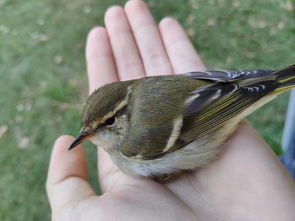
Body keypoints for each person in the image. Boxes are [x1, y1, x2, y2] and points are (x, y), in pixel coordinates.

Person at [46, 0, 295, 220]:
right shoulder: (142, 88)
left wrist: (246, 95)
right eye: (88, 130)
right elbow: (192, 81)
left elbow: (198, 120)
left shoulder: (133, 144)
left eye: (109, 122)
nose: (92, 135)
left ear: (124, 113)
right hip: (216, 85)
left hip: (211, 117)